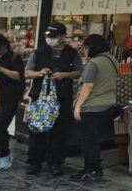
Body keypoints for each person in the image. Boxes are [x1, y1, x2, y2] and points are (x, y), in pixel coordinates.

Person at [24, 22, 82, 176]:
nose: (50, 39)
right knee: (37, 130)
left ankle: (55, 163)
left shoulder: (72, 54)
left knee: (58, 132)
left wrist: (64, 75)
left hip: (62, 98)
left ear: (63, 37)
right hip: (40, 99)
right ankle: (34, 162)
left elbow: (79, 73)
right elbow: (27, 73)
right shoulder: (39, 53)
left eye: (54, 36)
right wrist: (39, 73)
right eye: (48, 36)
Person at [72, 34, 119, 181]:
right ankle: (95, 167)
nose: (84, 51)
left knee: (87, 140)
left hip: (92, 106)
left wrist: (77, 106)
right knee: (93, 138)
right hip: (108, 104)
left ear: (93, 47)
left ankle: (91, 169)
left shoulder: (94, 63)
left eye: (86, 47)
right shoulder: (112, 60)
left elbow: (88, 85)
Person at [0, 33, 25, 170]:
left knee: (0, 126)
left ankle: (4, 154)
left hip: (10, 98)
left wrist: (1, 69)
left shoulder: (14, 58)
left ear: (3, 46)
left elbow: (19, 76)